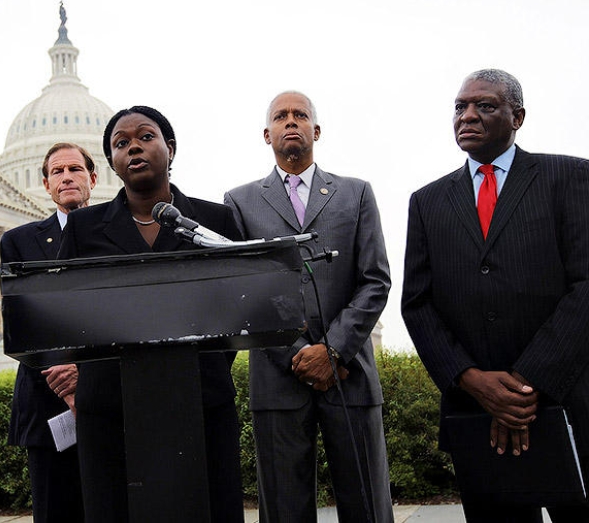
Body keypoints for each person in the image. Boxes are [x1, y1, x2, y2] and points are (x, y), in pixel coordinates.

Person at [401, 69, 589, 522]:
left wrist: (526, 385)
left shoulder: (571, 176)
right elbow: (417, 304)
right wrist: (473, 381)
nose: (468, 115)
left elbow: (585, 286)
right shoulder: (427, 202)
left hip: (566, 407)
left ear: (517, 116)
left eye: (485, 106)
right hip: (475, 418)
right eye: (460, 107)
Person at [57, 105, 244, 523]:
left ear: (170, 149)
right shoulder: (84, 229)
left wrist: (201, 365)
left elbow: (237, 308)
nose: (134, 147)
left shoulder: (215, 220)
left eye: (146, 136)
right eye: (121, 144)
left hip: (200, 400)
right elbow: (65, 313)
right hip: (111, 409)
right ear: (111, 165)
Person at [224, 91, 394, 523]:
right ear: (267, 134)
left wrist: (333, 350)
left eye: (300, 115)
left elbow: (375, 280)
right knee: (284, 509)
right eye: (280, 116)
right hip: (279, 380)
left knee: (368, 506)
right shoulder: (239, 202)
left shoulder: (355, 193)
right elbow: (245, 291)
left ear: (316, 131)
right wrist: (299, 353)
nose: (291, 121)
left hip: (350, 373)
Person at [0, 142, 97, 523]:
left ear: (93, 178)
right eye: (57, 172)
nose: (66, 177)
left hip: (111, 398)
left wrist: (86, 374)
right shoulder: (19, 241)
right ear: (45, 184)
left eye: (75, 169)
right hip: (46, 402)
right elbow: (22, 321)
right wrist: (66, 379)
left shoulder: (118, 235)